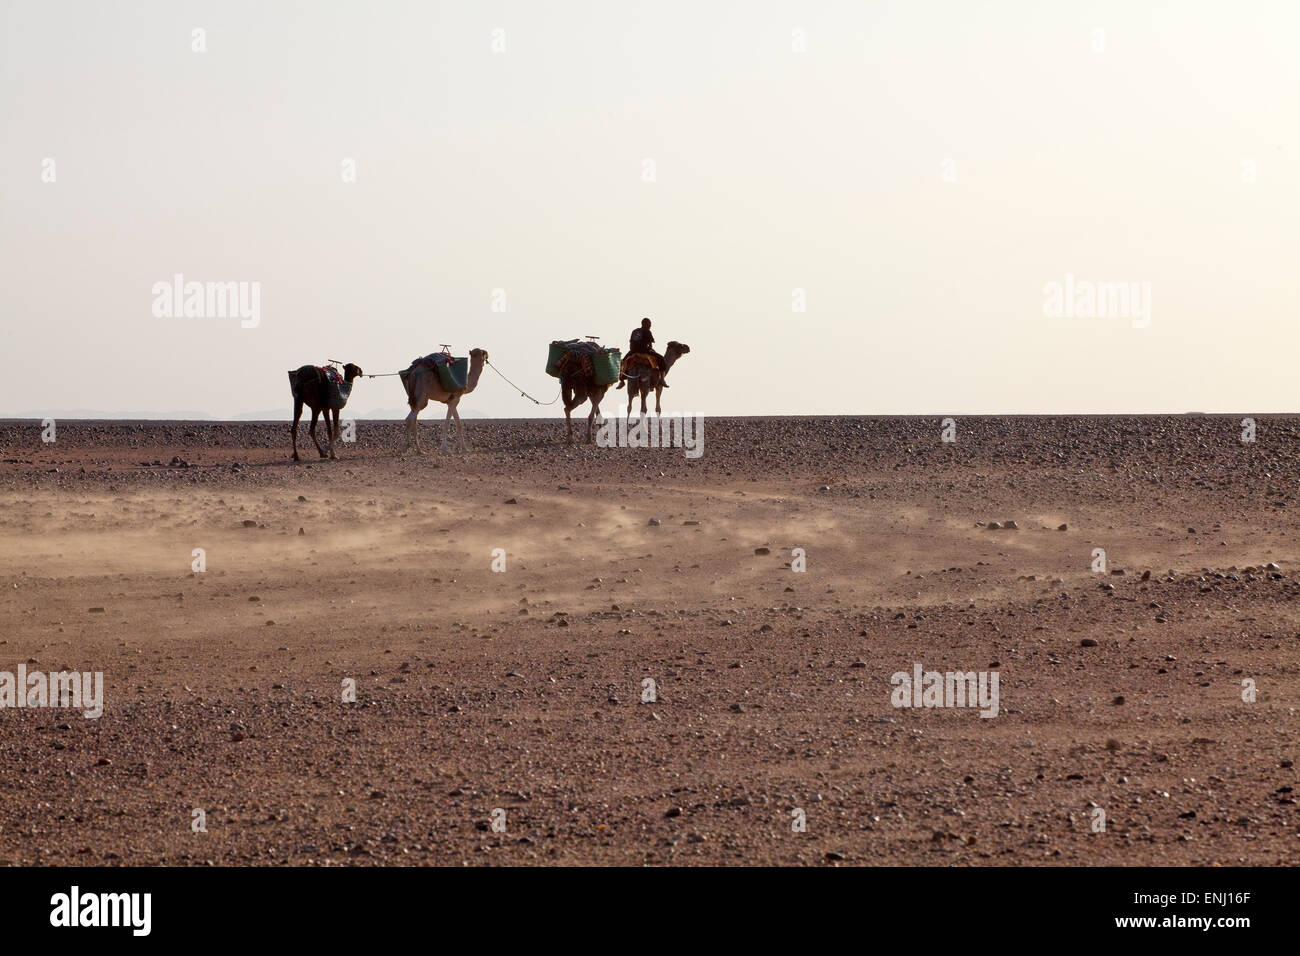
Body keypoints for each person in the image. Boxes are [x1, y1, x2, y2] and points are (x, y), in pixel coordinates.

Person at [620, 318, 668, 388]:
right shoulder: (647, 331)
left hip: (633, 351)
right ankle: (662, 379)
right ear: (646, 324)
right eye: (649, 324)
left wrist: (632, 351)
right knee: (661, 358)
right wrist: (649, 349)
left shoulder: (635, 331)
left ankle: (621, 380)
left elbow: (631, 343)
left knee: (623, 361)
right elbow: (650, 345)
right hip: (644, 351)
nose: (650, 326)